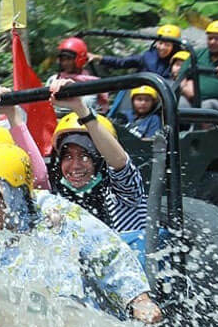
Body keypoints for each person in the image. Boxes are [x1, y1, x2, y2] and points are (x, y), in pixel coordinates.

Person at [0, 142, 162, 323]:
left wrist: (138, 300)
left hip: (72, 325)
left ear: (16, 194)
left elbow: (108, 253)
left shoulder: (55, 216)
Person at [48, 78, 147, 232]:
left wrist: (81, 109)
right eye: (67, 156)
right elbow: (38, 180)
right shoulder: (60, 198)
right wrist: (14, 116)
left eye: (84, 155)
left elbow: (120, 162)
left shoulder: (124, 194)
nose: (75, 165)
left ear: (100, 159)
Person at [177, 20, 218, 114]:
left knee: (207, 107)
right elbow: (182, 74)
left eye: (217, 39)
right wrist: (185, 88)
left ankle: (206, 128)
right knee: (178, 105)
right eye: (210, 38)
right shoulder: (198, 53)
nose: (212, 42)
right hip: (191, 98)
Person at [88, 24, 182, 79]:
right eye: (160, 43)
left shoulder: (180, 60)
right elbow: (122, 62)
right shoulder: (147, 57)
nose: (162, 47)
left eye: (167, 45)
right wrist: (99, 58)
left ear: (174, 47)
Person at [46, 37, 109, 114]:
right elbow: (47, 106)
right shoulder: (53, 80)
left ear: (80, 59)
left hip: (86, 122)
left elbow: (96, 107)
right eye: (63, 59)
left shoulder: (93, 83)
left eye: (69, 59)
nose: (65, 63)